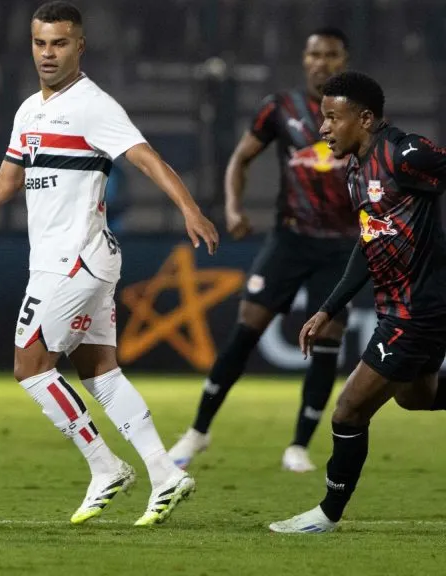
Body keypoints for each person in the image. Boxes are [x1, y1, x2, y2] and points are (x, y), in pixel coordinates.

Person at [0, 1, 219, 526]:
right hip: (71, 261)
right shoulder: (29, 110)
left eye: (59, 43)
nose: (48, 53)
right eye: (40, 43)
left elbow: (145, 156)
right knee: (100, 372)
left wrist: (189, 208)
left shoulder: (94, 105)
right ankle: (165, 474)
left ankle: (105, 467)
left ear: (80, 46)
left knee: (29, 368)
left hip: (73, 261)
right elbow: (6, 182)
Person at [169, 28, 355, 473]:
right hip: (290, 238)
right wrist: (233, 207)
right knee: (248, 324)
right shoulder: (281, 107)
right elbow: (240, 158)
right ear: (305, 59)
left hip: (343, 246)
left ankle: (299, 446)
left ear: (343, 60)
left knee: (327, 338)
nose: (322, 62)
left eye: (331, 55)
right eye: (314, 54)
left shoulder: (360, 114)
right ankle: (198, 430)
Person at [270, 71, 446, 533]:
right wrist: (328, 308)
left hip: (417, 310)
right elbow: (369, 245)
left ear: (365, 118)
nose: (322, 127)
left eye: (332, 118)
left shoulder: (405, 153)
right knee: (414, 396)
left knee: (349, 408)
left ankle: (327, 513)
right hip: (399, 306)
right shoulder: (356, 170)